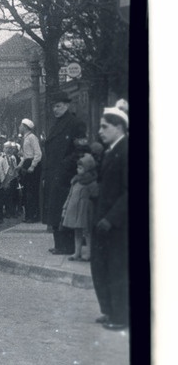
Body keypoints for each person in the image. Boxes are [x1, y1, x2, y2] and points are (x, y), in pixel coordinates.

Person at [91, 107, 128, 330]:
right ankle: (110, 310)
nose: (100, 131)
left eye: (105, 126)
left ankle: (121, 316)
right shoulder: (111, 150)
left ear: (119, 127)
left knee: (117, 269)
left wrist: (112, 218)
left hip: (118, 224)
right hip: (104, 219)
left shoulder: (126, 150)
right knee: (103, 266)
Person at [42, 92, 86, 255]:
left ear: (67, 106)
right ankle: (59, 244)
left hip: (67, 175)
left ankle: (67, 245)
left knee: (65, 210)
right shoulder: (56, 123)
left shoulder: (75, 124)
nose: (55, 109)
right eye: (53, 106)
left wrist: (64, 165)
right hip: (54, 173)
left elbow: (81, 149)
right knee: (55, 209)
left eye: (58, 106)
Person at [61, 153, 98, 262]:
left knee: (87, 232)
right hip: (74, 209)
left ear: (87, 168)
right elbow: (70, 195)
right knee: (77, 231)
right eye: (78, 167)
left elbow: (95, 194)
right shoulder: (75, 180)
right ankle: (77, 252)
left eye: (81, 167)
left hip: (84, 209)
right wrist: (65, 208)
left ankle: (89, 253)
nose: (78, 169)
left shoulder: (91, 181)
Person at [18, 119, 42, 223]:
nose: (19, 127)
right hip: (27, 163)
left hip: (32, 165)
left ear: (25, 127)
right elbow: (24, 155)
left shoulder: (32, 138)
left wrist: (32, 166)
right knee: (26, 191)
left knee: (32, 191)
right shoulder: (25, 138)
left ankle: (34, 215)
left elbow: (38, 153)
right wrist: (19, 165)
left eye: (20, 125)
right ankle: (28, 215)